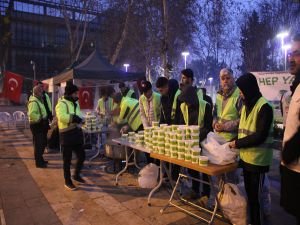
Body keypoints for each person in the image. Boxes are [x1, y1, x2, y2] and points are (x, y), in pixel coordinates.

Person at [229, 73, 274, 225]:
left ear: (249, 89)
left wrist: (238, 143)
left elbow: (260, 135)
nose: (240, 94)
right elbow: (244, 129)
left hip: (258, 162)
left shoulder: (264, 107)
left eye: (242, 91)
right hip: (246, 159)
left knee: (258, 199)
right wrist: (234, 142)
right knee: (251, 197)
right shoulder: (246, 106)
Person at [178, 85, 213, 200]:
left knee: (205, 170)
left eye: (187, 101)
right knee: (192, 168)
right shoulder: (183, 106)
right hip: (190, 143)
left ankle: (206, 195)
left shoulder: (205, 106)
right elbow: (182, 124)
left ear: (192, 98)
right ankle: (195, 190)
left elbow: (208, 127)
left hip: (203, 141)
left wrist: (196, 138)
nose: (186, 104)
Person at [280, 33, 300, 225]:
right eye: (290, 54)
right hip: (293, 167)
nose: (291, 58)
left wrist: (289, 151)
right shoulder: (296, 86)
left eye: (297, 54)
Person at [55, 82, 86, 191]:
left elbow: (79, 114)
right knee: (67, 160)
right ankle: (67, 181)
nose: (77, 95)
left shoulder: (75, 103)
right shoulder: (61, 104)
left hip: (76, 133)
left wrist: (82, 119)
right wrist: (75, 118)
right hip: (66, 134)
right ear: (70, 93)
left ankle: (76, 175)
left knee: (82, 155)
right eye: (76, 93)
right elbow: (62, 117)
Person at [214, 68, 242, 142]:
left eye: (228, 78)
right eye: (223, 79)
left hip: (233, 139)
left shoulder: (239, 95)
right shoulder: (219, 95)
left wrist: (224, 127)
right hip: (218, 136)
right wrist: (215, 124)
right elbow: (215, 114)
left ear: (233, 79)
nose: (225, 81)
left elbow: (243, 119)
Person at [27, 85, 50, 168]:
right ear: (37, 92)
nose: (42, 93)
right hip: (37, 125)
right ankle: (39, 163)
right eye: (41, 92)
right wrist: (39, 119)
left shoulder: (38, 100)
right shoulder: (34, 102)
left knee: (42, 143)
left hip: (40, 125)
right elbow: (31, 113)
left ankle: (41, 159)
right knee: (38, 144)